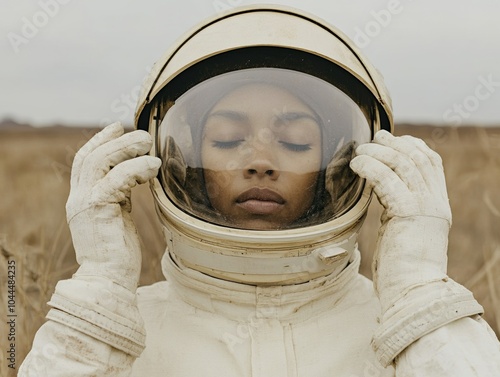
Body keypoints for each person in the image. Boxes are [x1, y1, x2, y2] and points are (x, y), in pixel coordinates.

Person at [20, 5, 500, 376]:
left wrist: (418, 293)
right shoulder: (119, 328)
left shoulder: (402, 329)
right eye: (227, 139)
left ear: (340, 165)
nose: (260, 162)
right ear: (181, 163)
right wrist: (100, 288)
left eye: (295, 141)